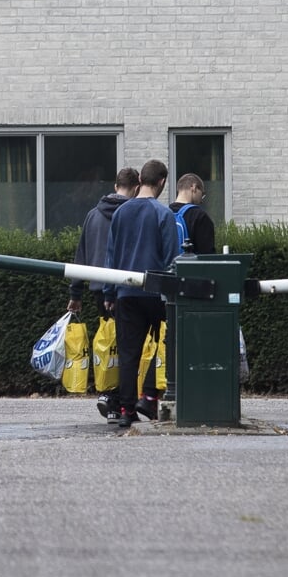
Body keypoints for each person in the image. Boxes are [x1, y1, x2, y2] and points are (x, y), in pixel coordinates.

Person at [103, 159, 177, 428]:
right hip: (155, 294)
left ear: (139, 181)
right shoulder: (163, 214)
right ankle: (149, 396)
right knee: (165, 348)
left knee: (129, 354)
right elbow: (172, 258)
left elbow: (110, 256)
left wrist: (109, 293)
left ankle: (125, 410)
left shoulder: (121, 213)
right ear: (161, 182)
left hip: (125, 292)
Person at [69, 167, 138, 422]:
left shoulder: (92, 215)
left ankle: (107, 394)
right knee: (128, 346)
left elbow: (81, 257)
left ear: (115, 184)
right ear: (137, 186)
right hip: (126, 288)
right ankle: (117, 399)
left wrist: (75, 293)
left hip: (99, 290)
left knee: (108, 344)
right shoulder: (132, 214)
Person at [172, 173, 216, 255]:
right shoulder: (200, 216)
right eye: (202, 194)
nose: (202, 200)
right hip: (189, 267)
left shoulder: (165, 213)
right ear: (194, 187)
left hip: (167, 267)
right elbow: (207, 256)